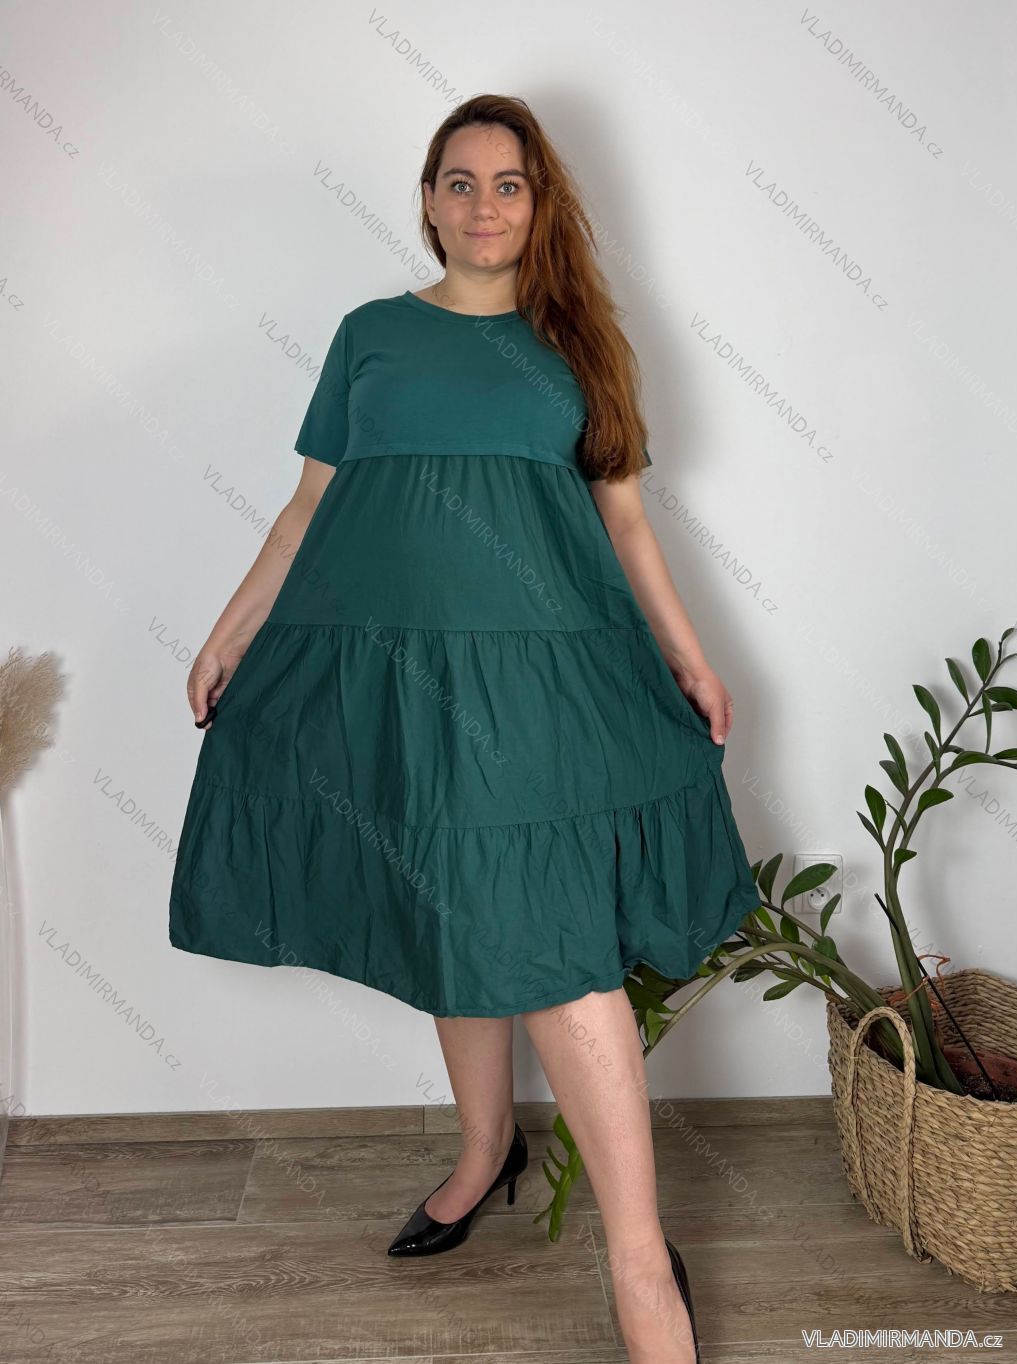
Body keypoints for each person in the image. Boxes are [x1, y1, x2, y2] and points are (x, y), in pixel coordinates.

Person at [169, 92, 760, 1363]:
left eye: (508, 183)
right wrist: (226, 632)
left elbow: (626, 521)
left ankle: (640, 1261)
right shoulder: (369, 337)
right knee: (449, 904)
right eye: (459, 181)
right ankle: (487, 1150)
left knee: (550, 944)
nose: (483, 204)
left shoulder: (579, 345)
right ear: (428, 202)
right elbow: (307, 510)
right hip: (400, 687)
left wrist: (692, 655)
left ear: (539, 206)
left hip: (546, 688)